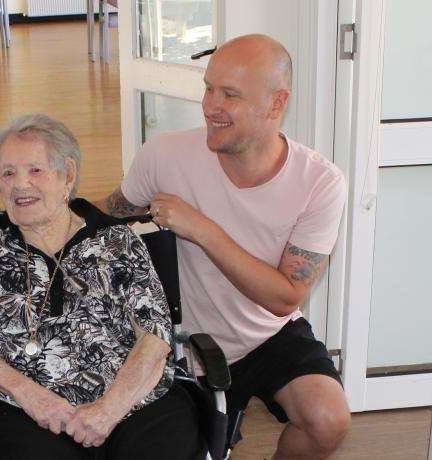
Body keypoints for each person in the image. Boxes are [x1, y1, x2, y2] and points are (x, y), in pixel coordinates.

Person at [95, 34, 351, 459]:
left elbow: (285, 298)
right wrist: (22, 210)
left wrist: (201, 228)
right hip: (182, 341)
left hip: (267, 335)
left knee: (328, 419)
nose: (211, 106)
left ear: (276, 104)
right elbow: (105, 213)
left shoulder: (320, 184)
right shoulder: (164, 155)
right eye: (209, 88)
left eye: (229, 94)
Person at [0, 114, 205, 460]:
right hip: (27, 411)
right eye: (8, 173)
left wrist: (108, 411)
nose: (20, 185)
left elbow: (155, 337)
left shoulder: (117, 240)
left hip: (134, 402)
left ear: (67, 174)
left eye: (35, 171)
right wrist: (32, 397)